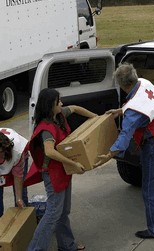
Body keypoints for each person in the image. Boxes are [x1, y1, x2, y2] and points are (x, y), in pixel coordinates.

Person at [95, 63, 154, 239]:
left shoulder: (133, 111)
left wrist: (110, 154)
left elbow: (125, 137)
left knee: (150, 191)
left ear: (123, 85)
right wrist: (121, 111)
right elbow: (143, 105)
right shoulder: (144, 82)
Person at [27, 88, 97, 251]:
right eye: (59, 102)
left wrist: (95, 117)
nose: (62, 103)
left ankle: (66, 245)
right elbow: (49, 151)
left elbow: (75, 108)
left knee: (63, 211)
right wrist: (73, 164)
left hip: (63, 170)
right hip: (53, 174)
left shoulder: (59, 115)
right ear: (51, 105)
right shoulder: (46, 129)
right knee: (52, 213)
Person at [0, 128, 29, 216]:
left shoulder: (17, 152)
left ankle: (23, 220)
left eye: (0, 152)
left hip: (17, 157)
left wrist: (18, 198)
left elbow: (18, 177)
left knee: (21, 196)